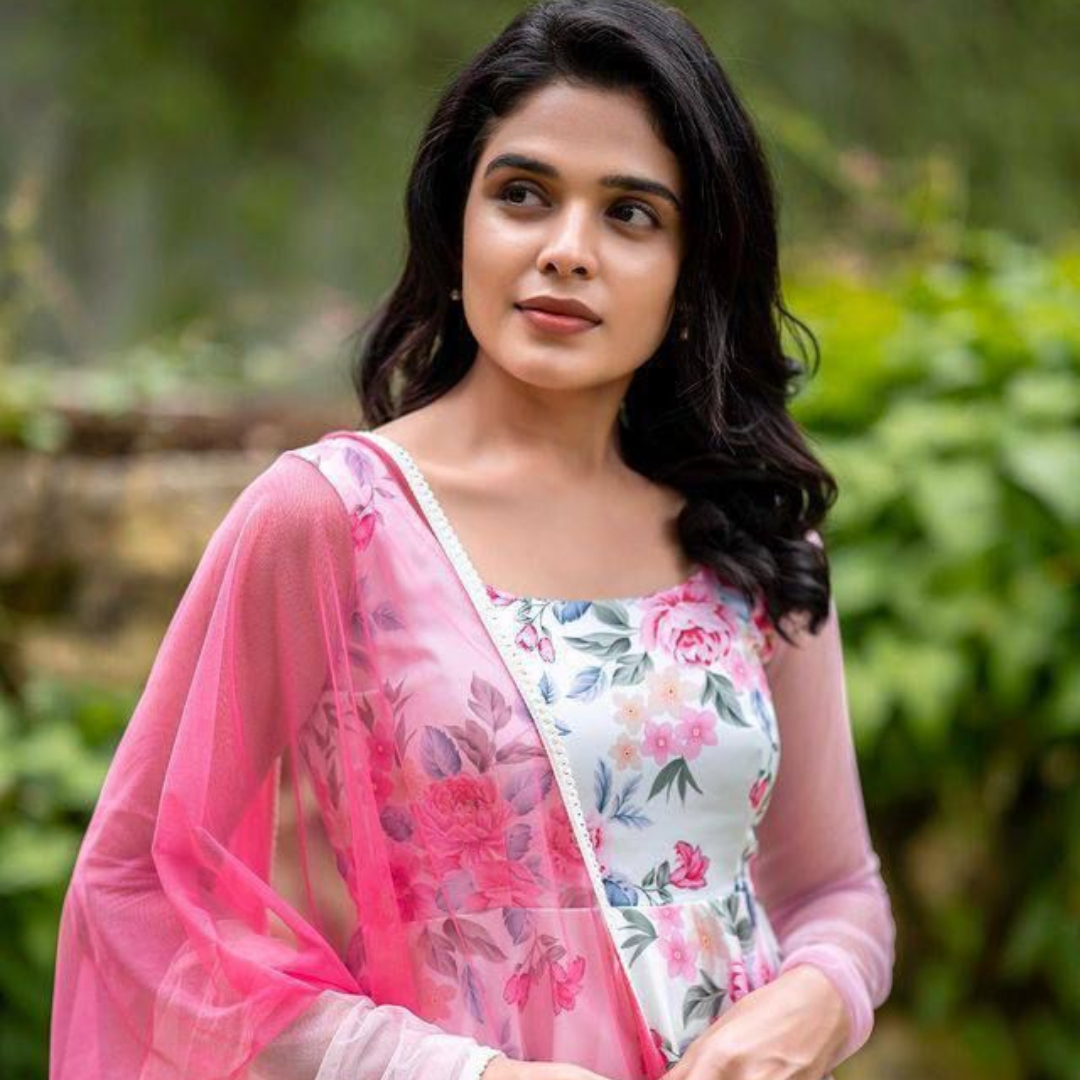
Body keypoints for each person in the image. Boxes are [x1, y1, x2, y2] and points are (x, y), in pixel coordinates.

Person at [48, 2, 896, 1078]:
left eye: (631, 214)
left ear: (695, 270)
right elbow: (135, 891)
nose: (566, 251)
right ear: (457, 227)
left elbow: (836, 892)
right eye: (523, 195)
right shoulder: (336, 519)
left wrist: (811, 1008)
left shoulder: (757, 536)